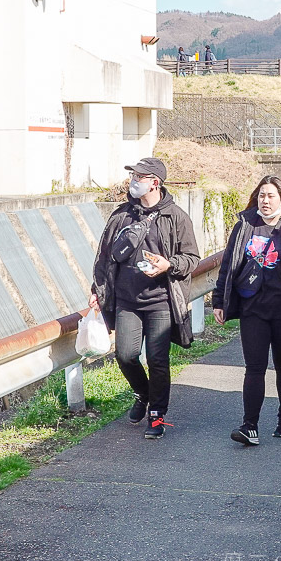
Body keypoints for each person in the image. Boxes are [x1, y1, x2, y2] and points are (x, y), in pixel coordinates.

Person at [91, 156, 202, 439]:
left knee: (157, 359)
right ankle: (143, 393)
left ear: (155, 182)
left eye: (139, 177)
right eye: (133, 176)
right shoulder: (122, 215)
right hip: (127, 300)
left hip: (161, 301)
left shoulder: (175, 217)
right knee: (125, 355)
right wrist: (97, 291)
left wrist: (168, 265)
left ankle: (157, 414)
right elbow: (104, 258)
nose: (133, 181)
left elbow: (191, 258)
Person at [213, 175, 281, 447]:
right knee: (254, 367)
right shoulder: (245, 225)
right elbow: (228, 265)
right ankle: (249, 425)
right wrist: (219, 300)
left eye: (270, 196)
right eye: (261, 195)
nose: (265, 201)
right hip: (253, 309)